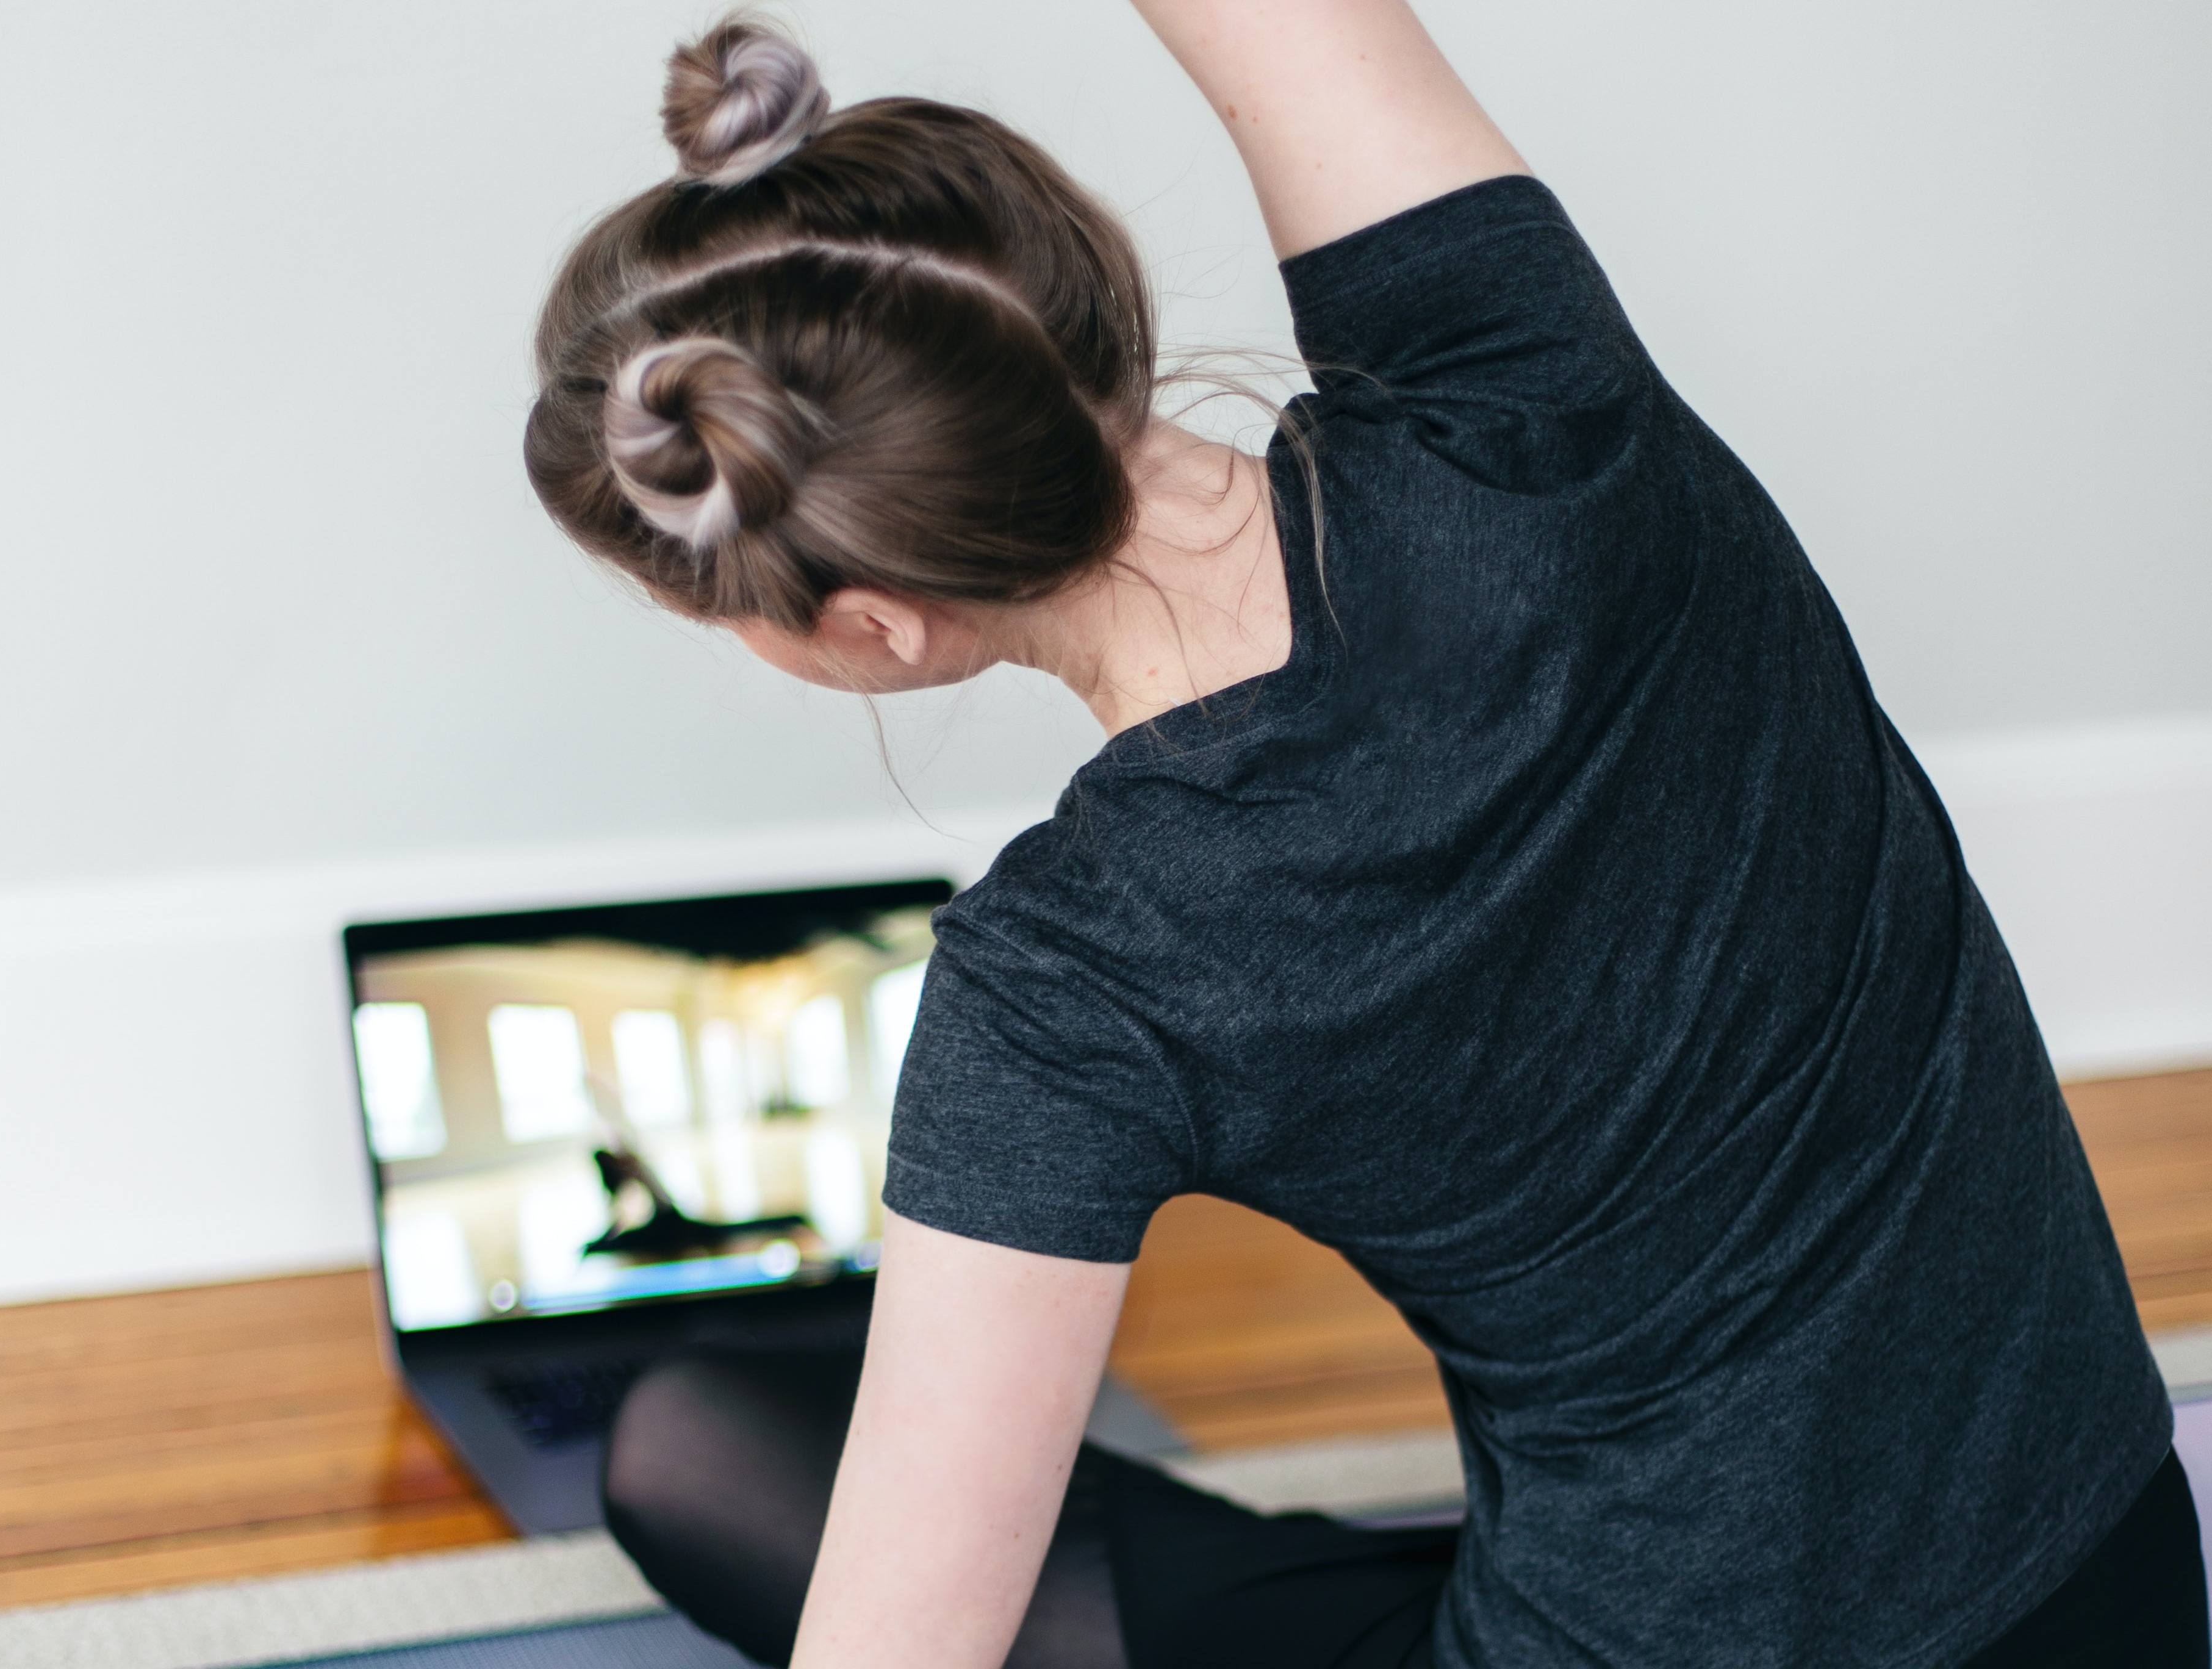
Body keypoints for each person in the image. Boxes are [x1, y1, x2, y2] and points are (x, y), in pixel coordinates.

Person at [522, 5, 2207, 1665]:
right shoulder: (1533, 391)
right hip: (2115, 1571)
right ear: (1078, 283)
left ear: (875, 628)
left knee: (691, 1446)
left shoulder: (1063, 991)